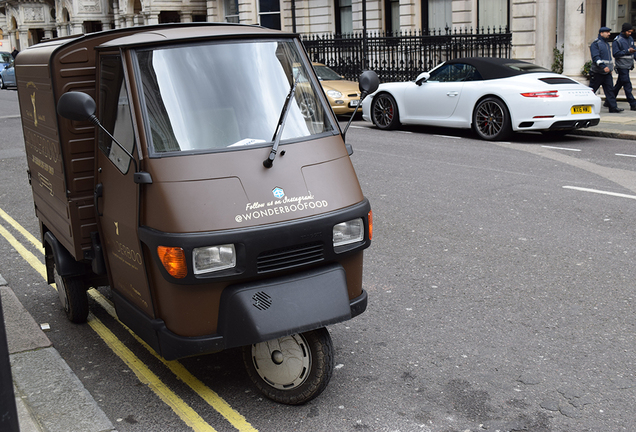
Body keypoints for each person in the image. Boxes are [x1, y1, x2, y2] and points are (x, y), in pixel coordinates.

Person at [590, 26, 623, 112]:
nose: (609, 34)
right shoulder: (596, 44)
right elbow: (596, 57)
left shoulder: (606, 44)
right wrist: (603, 66)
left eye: (609, 32)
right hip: (597, 72)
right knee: (592, 89)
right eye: (607, 32)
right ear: (601, 33)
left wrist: (610, 69)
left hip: (607, 72)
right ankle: (584, 104)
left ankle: (613, 107)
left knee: (610, 90)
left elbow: (608, 59)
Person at [612, 22, 636, 110]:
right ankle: (633, 103)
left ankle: (609, 100)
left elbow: (634, 51)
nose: (630, 33)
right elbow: (615, 54)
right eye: (629, 31)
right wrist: (627, 51)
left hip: (628, 65)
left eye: (631, 32)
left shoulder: (630, 39)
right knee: (627, 84)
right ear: (624, 31)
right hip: (621, 66)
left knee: (619, 84)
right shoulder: (617, 40)